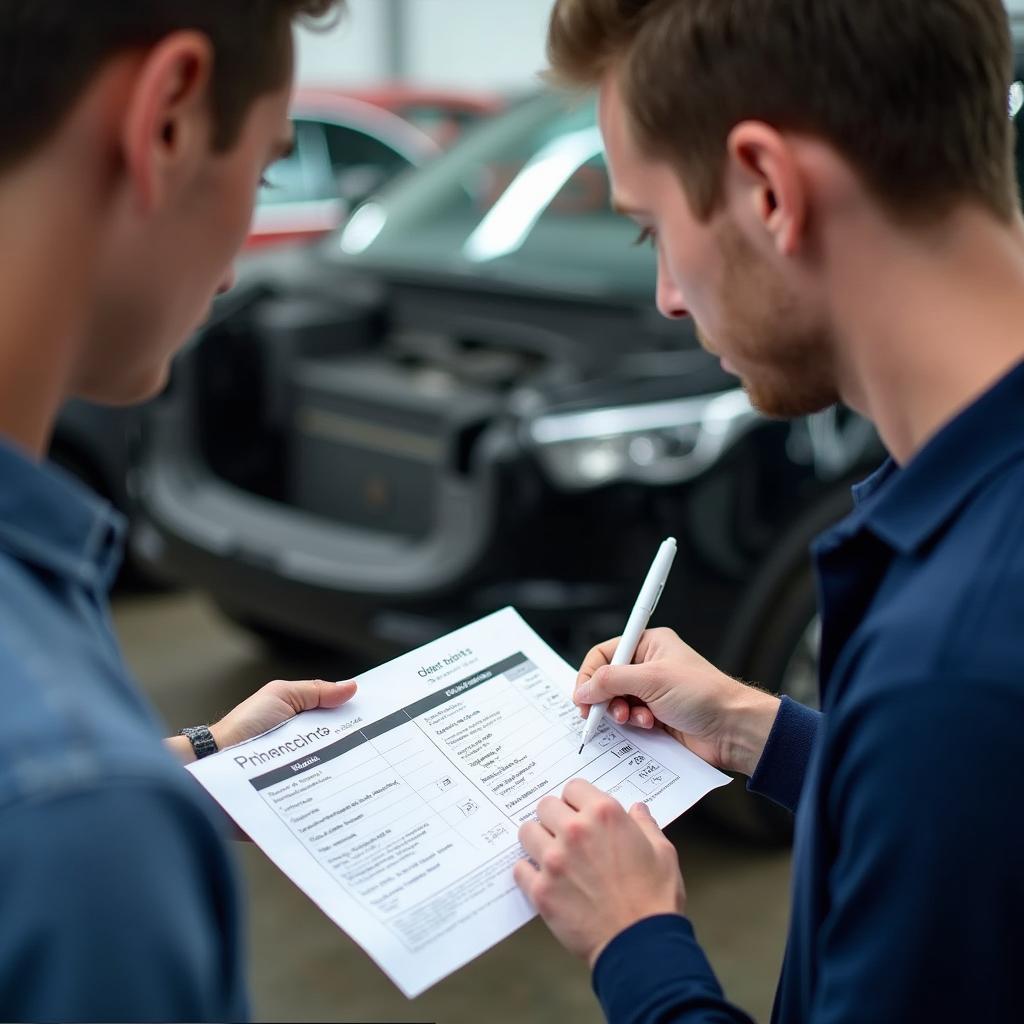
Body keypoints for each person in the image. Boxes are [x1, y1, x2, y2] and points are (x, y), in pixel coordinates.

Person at [512, 1, 1024, 1021]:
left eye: (654, 228)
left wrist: (636, 941)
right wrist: (758, 731)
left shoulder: (956, 666)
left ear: (766, 189)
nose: (665, 293)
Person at [0, 3, 350, 1020]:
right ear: (169, 121)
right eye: (266, 168)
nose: (239, 254)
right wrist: (115, 805)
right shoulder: (80, 834)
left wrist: (194, 762)